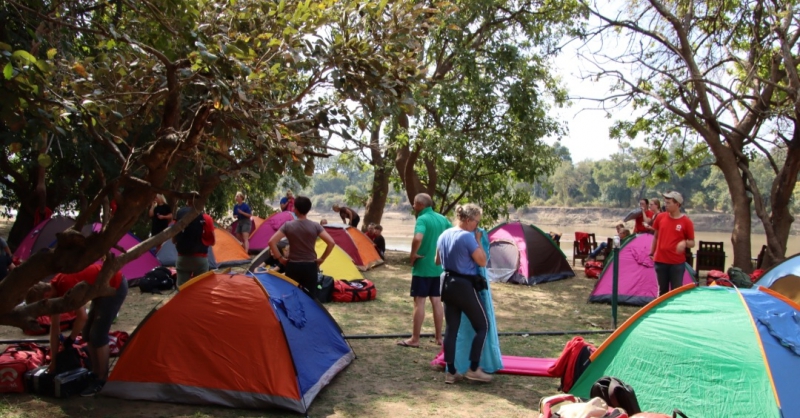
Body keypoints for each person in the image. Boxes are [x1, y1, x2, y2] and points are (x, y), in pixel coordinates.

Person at [25, 263, 128, 396]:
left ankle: (102, 380)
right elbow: (54, 328)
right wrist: (54, 362)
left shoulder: (67, 286)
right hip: (100, 289)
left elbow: (82, 317)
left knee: (97, 335)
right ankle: (95, 373)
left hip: (115, 286)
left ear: (45, 297)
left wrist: (71, 339)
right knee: (86, 334)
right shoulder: (54, 291)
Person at [437, 203, 492, 384]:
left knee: (451, 329)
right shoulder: (467, 237)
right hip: (463, 285)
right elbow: (482, 261)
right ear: (468, 220)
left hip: (446, 283)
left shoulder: (444, 234)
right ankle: (474, 368)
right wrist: (477, 241)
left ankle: (451, 372)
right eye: (476, 222)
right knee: (483, 326)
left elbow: (437, 260)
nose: (477, 225)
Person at [397, 193, 450, 348]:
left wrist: (413, 254)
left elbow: (418, 238)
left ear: (421, 205)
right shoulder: (442, 218)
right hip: (438, 267)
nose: (413, 206)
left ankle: (415, 339)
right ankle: (439, 337)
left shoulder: (422, 219)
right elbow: (451, 234)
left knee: (419, 301)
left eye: (414, 203)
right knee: (436, 301)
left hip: (423, 266)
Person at [269, 196, 336, 300]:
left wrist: (280, 259)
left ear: (295, 209)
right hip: (310, 266)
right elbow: (331, 242)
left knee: (291, 296)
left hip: (293, 266)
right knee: (310, 298)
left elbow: (271, 242)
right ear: (308, 209)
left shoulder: (288, 225)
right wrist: (322, 258)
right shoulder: (315, 226)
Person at [650, 191, 695, 296]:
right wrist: (652, 253)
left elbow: (692, 243)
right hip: (660, 261)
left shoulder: (686, 222)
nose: (666, 205)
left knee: (676, 292)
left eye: (669, 203)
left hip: (677, 263)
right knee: (662, 292)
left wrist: (684, 243)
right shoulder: (660, 217)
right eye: (665, 202)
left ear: (677, 204)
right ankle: (662, 312)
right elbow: (656, 236)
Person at [173, 202, 214, 286]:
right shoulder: (206, 218)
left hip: (182, 258)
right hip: (200, 259)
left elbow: (173, 240)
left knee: (182, 290)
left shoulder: (180, 216)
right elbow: (212, 241)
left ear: (187, 203)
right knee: (200, 289)